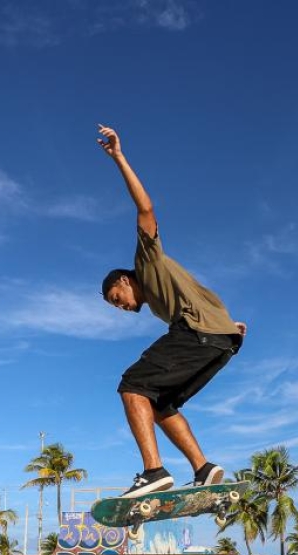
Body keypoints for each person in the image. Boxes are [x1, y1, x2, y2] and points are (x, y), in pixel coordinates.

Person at [96, 124, 246, 498]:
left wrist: (119, 158)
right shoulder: (165, 297)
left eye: (117, 297)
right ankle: (204, 469)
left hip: (198, 334)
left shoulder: (147, 263)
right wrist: (228, 326)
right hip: (221, 342)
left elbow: (145, 208)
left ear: (125, 280)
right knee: (161, 403)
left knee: (132, 386)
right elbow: (205, 297)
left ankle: (154, 472)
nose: (121, 307)